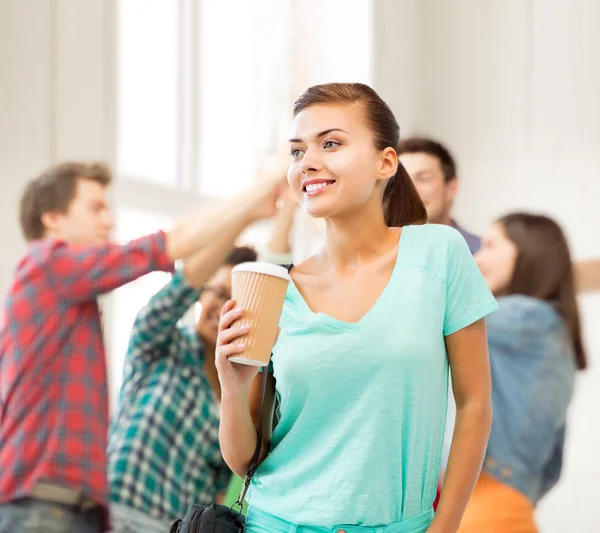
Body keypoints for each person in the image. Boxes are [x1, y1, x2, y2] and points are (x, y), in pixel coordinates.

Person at [215, 82, 499, 533]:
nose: (307, 161)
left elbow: (475, 403)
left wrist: (444, 529)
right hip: (274, 522)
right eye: (296, 151)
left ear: (386, 162)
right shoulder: (278, 289)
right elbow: (243, 458)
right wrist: (231, 386)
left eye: (331, 143)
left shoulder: (439, 254)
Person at [0, 161, 284, 533]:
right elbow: (167, 250)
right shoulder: (47, 266)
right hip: (55, 506)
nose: (109, 222)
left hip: (100, 513)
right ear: (52, 217)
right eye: (96, 208)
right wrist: (260, 192)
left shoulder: (235, 385)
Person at [458, 213, 587, 533]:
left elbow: (442, 317)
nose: (478, 257)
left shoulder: (526, 317)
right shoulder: (554, 330)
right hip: (510, 506)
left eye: (489, 246)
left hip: (485, 505)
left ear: (528, 254)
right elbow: (552, 464)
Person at [397, 137, 480, 253]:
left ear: (451, 188)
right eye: (401, 180)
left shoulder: (482, 255)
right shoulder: (370, 259)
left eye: (423, 179)